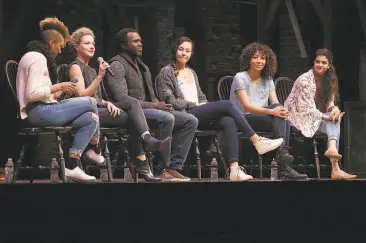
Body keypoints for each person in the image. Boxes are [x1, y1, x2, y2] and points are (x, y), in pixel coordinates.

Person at [155, 37, 285, 181]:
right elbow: (169, 100)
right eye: (181, 49)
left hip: (198, 112)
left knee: (228, 120)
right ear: (175, 50)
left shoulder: (191, 72)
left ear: (191, 54)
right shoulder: (166, 72)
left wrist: (204, 104)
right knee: (228, 105)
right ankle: (256, 140)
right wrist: (194, 105)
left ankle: (234, 169)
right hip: (184, 114)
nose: (184, 53)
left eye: (187, 51)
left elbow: (201, 95)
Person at [68, 27, 169, 182]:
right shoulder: (76, 67)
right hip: (87, 114)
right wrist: (101, 76)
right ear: (76, 46)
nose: (92, 46)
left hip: (98, 108)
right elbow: (82, 96)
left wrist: (107, 102)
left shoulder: (91, 69)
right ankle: (144, 153)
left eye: (93, 43)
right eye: (87, 43)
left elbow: (97, 97)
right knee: (132, 109)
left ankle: (143, 160)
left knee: (132, 114)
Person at [103, 29, 199, 182]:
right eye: (135, 41)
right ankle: (161, 168)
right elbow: (121, 99)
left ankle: (173, 167)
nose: (140, 44)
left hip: (148, 110)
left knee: (190, 120)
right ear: (124, 45)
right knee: (167, 118)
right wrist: (154, 106)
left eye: (140, 40)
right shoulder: (116, 65)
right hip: (129, 112)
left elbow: (152, 97)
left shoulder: (143, 67)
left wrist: (160, 104)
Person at [16, 17, 99, 182]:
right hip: (38, 112)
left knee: (90, 118)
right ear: (52, 42)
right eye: (60, 46)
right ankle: (94, 147)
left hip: (44, 107)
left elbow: (44, 94)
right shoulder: (37, 58)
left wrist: (60, 91)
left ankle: (73, 165)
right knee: (91, 102)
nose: (60, 51)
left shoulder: (36, 55)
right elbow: (32, 94)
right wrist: (59, 85)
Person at [230, 42, 308, 180]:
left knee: (281, 114)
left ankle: (282, 158)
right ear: (248, 59)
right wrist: (274, 111)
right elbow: (247, 107)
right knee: (277, 112)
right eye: (255, 57)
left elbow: (275, 103)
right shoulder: (240, 77)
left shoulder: (268, 79)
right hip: (244, 119)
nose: (259, 61)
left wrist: (282, 111)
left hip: (262, 117)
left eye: (263, 58)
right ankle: (284, 163)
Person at [285, 48, 356, 179]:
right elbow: (306, 109)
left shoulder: (328, 80)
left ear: (329, 65)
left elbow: (329, 103)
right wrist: (327, 116)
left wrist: (334, 110)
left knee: (334, 119)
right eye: (318, 62)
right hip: (297, 117)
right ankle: (335, 163)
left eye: (324, 63)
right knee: (332, 120)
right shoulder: (305, 80)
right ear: (314, 63)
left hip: (313, 117)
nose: (320, 65)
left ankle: (334, 158)